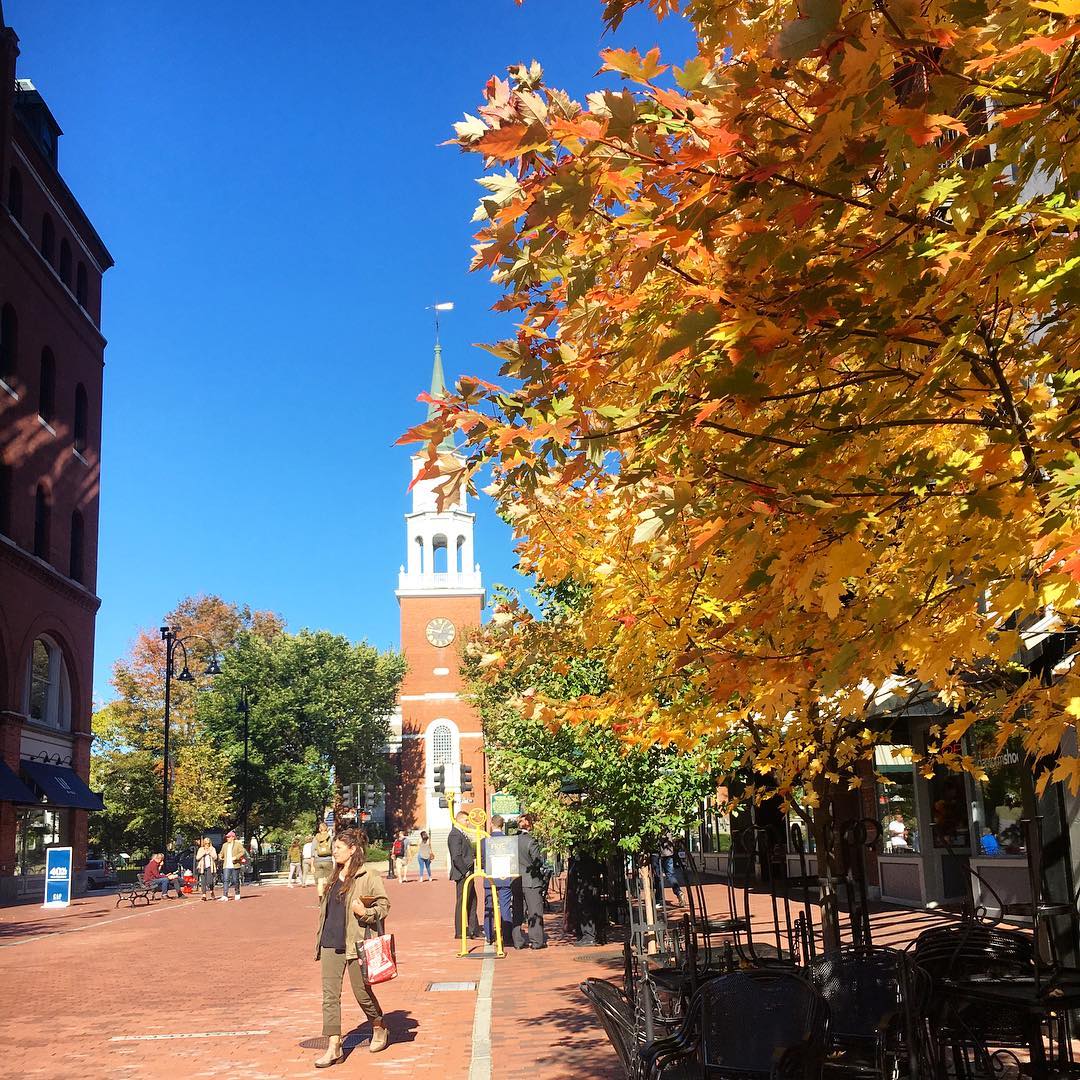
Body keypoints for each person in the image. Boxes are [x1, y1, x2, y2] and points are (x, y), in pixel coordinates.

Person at [313, 828, 391, 1066]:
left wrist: (365, 912)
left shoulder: (368, 875)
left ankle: (378, 1024)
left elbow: (383, 906)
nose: (333, 851)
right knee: (329, 996)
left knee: (361, 992)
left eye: (338, 848)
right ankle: (334, 1045)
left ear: (352, 850)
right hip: (329, 940)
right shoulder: (333, 875)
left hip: (356, 942)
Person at [482, 816, 526, 949]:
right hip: (504, 877)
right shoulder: (509, 841)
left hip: (490, 877)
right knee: (505, 906)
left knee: (489, 906)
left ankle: (489, 936)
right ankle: (507, 937)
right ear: (502, 825)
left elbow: (482, 859)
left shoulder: (484, 841)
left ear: (491, 824)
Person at [448, 810, 483, 939]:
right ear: (459, 820)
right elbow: (456, 856)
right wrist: (465, 871)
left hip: (468, 873)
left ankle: (474, 928)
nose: (468, 823)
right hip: (463, 874)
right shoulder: (455, 835)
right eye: (466, 820)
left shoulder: (462, 834)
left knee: (472, 900)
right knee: (462, 902)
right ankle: (460, 931)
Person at [516, 815, 547, 949]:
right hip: (531, 880)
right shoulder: (531, 841)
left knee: (518, 910)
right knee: (535, 910)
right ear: (529, 825)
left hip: (516, 879)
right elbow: (537, 861)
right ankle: (536, 941)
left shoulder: (513, 840)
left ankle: (517, 940)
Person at [656, 832, 684, 905]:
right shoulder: (668, 825)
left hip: (657, 853)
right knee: (670, 875)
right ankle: (678, 892)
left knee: (658, 876)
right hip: (668, 853)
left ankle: (659, 899)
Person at [219, 830, 247, 901]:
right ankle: (225, 895)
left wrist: (236, 857)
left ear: (233, 837)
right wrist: (220, 856)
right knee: (225, 880)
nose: (227, 838)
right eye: (227, 837)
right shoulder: (224, 845)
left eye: (229, 837)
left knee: (235, 880)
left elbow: (242, 852)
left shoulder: (238, 844)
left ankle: (237, 893)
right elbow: (221, 853)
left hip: (235, 865)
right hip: (226, 865)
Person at [313, 821, 334, 900]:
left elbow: (312, 851)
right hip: (328, 860)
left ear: (319, 829)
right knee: (329, 880)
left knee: (320, 881)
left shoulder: (316, 838)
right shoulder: (330, 837)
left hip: (318, 860)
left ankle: (321, 899)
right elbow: (333, 849)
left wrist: (312, 863)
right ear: (327, 829)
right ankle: (329, 897)